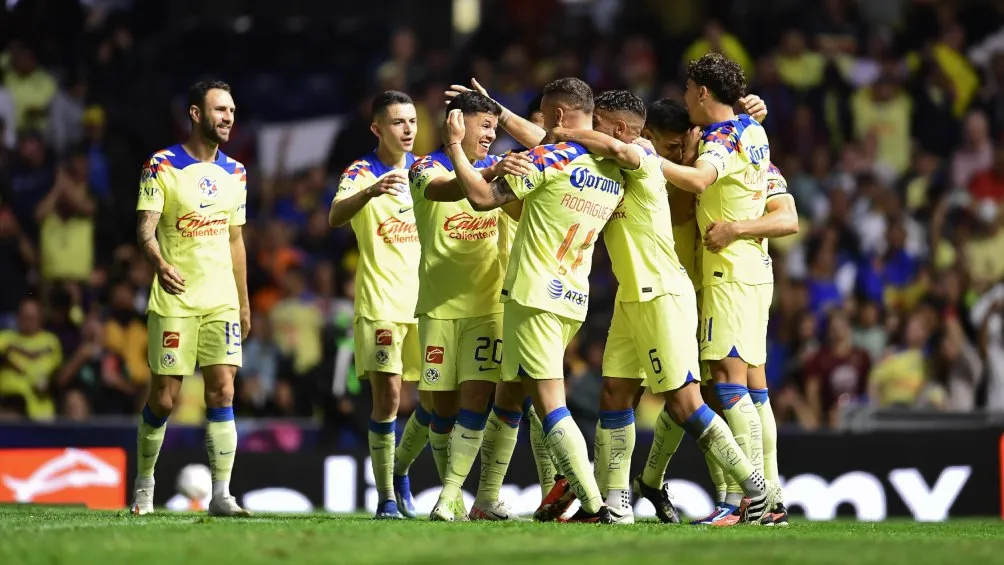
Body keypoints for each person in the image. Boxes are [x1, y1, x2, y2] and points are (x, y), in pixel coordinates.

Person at [548, 90, 771, 524]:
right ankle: (617, 502)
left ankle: (756, 488)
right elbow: (556, 149)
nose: (590, 130)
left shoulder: (642, 155)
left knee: (686, 403)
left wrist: (564, 131)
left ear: (619, 128)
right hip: (631, 296)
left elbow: (616, 148)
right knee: (615, 393)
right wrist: (510, 119)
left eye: (598, 124)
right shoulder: (605, 159)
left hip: (662, 294)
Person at [447, 77, 623, 523]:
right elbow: (550, 149)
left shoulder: (549, 158)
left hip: (534, 294)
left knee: (550, 405)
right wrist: (502, 111)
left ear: (558, 115)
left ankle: (593, 505)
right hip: (572, 294)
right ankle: (486, 500)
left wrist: (453, 147)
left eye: (545, 117)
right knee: (509, 397)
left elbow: (481, 197)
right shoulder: (612, 168)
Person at [660, 52, 783, 524]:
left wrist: (650, 157)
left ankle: (750, 500)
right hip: (755, 269)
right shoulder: (754, 130)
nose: (685, 98)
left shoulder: (722, 136)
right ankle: (771, 498)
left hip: (727, 272)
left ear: (703, 92)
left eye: (688, 90)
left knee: (729, 385)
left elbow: (698, 179)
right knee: (754, 388)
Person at [409, 91, 535, 521]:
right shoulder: (425, 167)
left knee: (477, 402)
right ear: (457, 125)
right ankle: (450, 494)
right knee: (441, 411)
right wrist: (480, 164)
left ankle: (448, 496)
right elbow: (447, 191)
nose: (491, 136)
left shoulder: (497, 168)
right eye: (485, 126)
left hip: (487, 306)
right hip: (438, 307)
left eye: (494, 129)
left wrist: (509, 176)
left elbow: (519, 208)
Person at [131, 80, 251, 516]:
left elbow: (235, 240)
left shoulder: (236, 172)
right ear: (196, 114)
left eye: (231, 111)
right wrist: (160, 263)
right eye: (220, 110)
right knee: (165, 398)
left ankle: (221, 495)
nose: (228, 118)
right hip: (176, 298)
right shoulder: (162, 165)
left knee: (223, 391)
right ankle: (145, 484)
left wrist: (244, 302)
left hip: (221, 301)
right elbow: (146, 228)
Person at [328, 91, 432, 519]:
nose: (408, 129)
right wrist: (370, 192)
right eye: (397, 122)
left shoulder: (425, 170)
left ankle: (400, 469)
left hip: (425, 303)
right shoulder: (360, 172)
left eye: (412, 121)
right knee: (387, 397)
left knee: (434, 400)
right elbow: (335, 215)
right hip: (381, 302)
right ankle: (387, 496)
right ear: (377, 128)